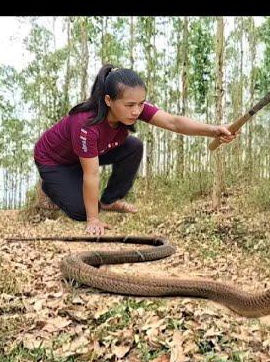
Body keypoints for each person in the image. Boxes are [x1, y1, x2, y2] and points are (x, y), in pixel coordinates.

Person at [33, 64, 237, 235]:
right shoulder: (86, 125)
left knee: (133, 146)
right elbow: (91, 173)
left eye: (140, 104)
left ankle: (110, 200)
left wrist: (214, 131)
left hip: (86, 154)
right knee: (82, 211)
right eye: (130, 104)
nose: (136, 111)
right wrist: (93, 219)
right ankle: (50, 186)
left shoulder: (132, 109)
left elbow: (174, 123)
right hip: (55, 161)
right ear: (108, 100)